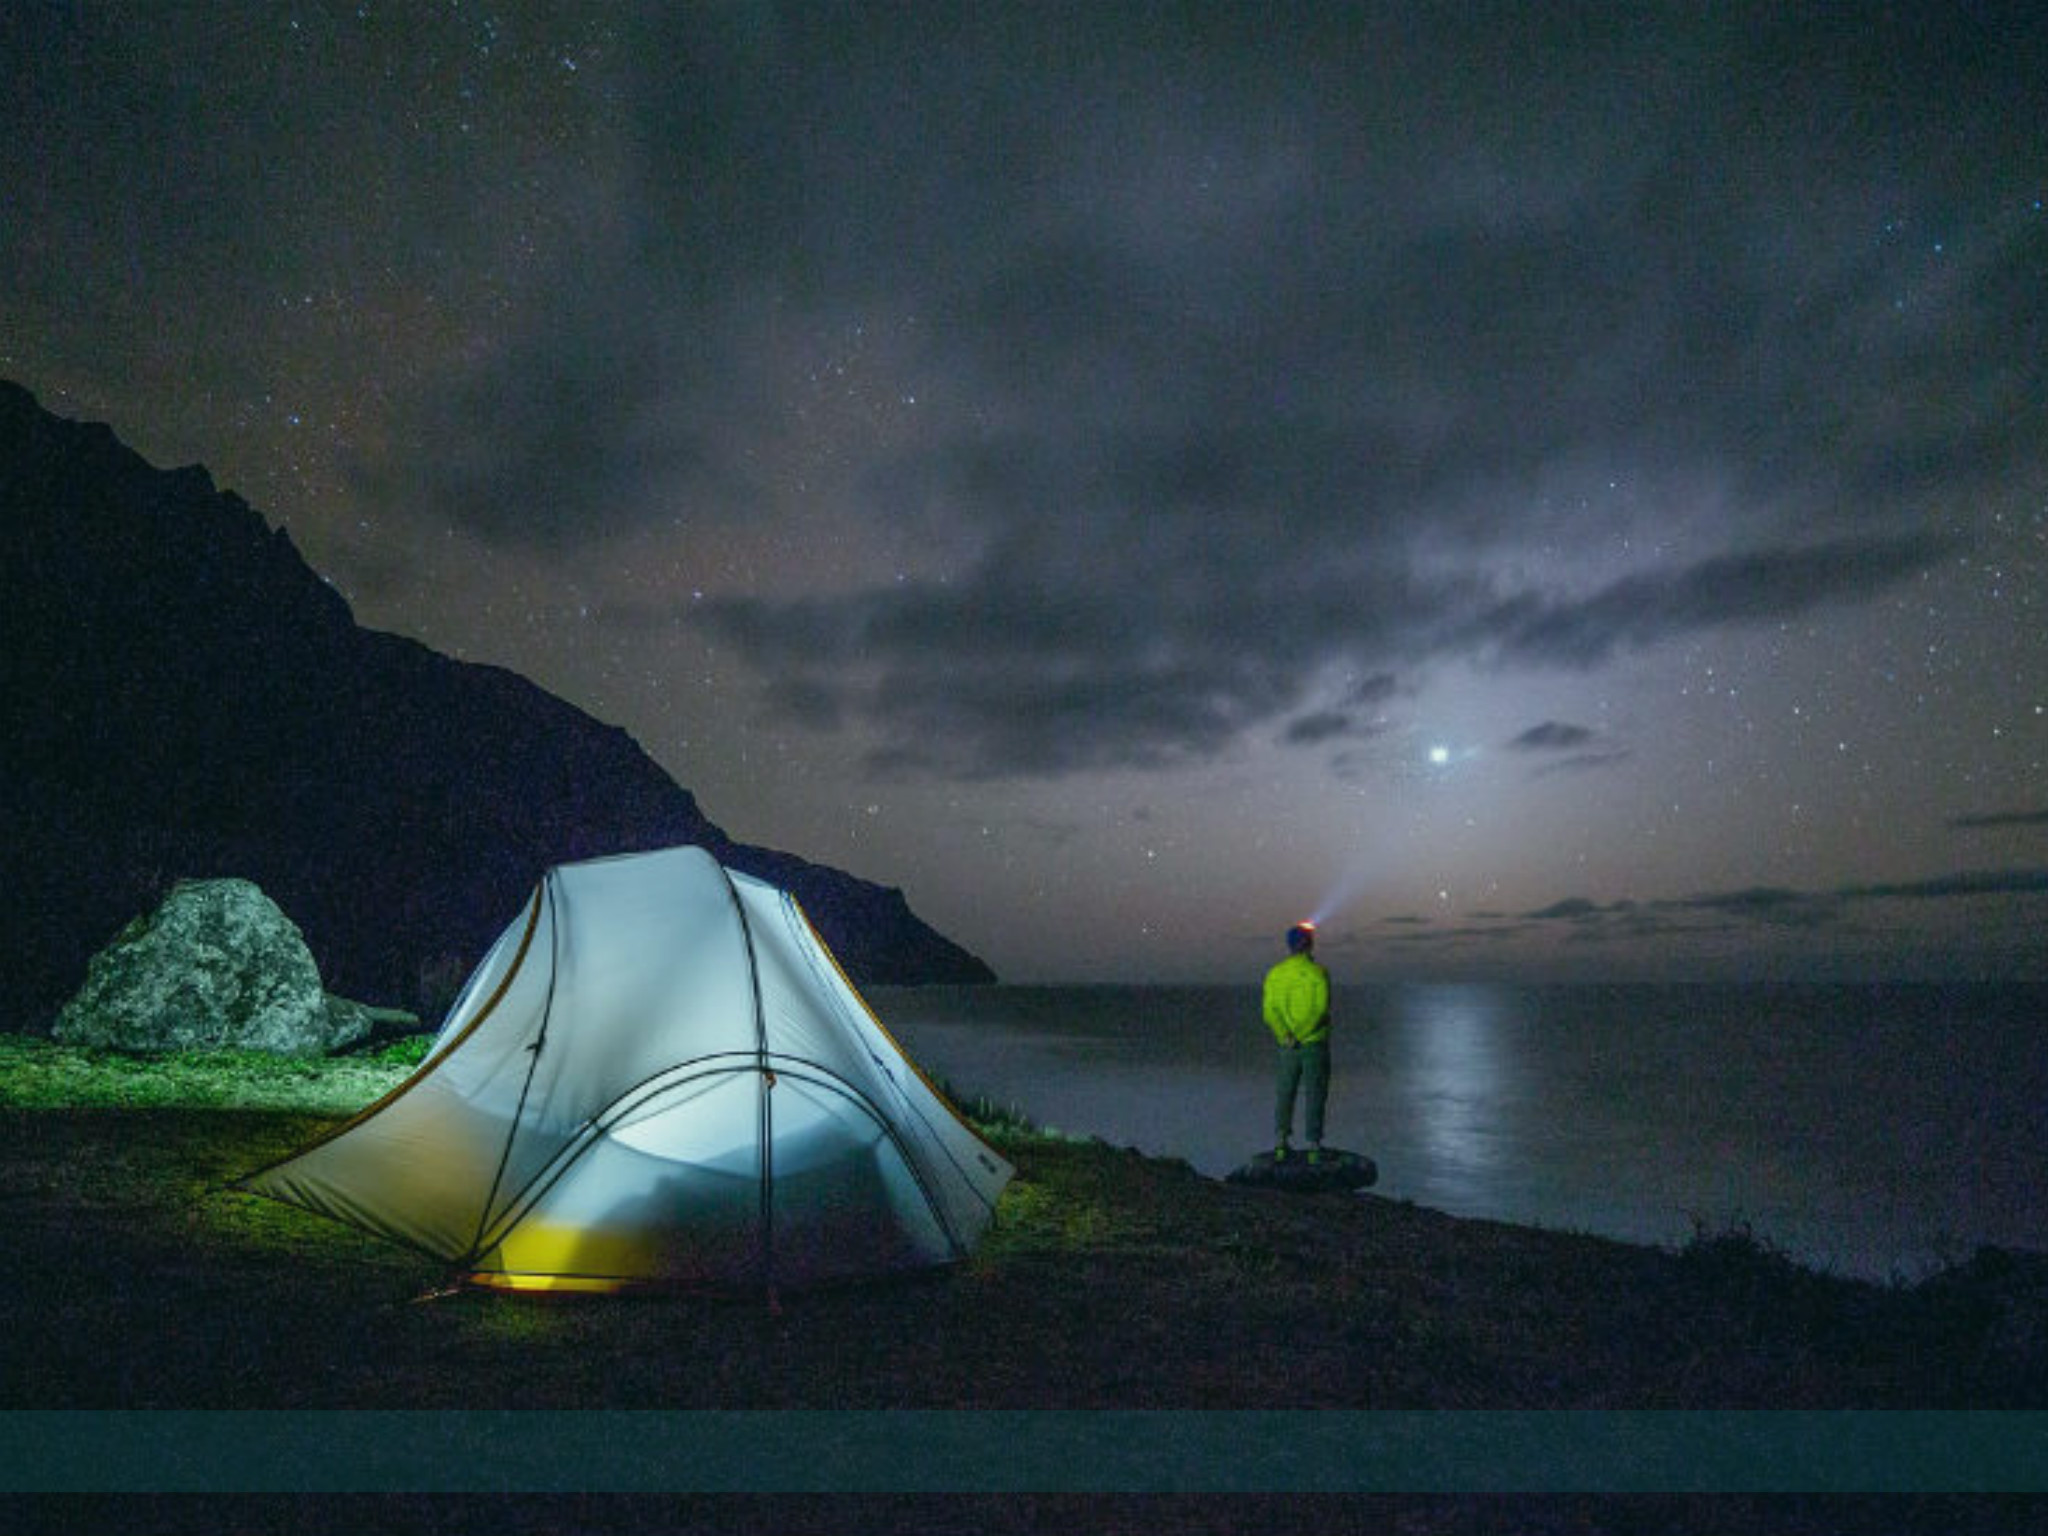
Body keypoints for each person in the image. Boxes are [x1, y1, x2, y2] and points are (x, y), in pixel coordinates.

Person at [1262, 921, 1331, 1162]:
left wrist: (1286, 1035)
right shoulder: (1318, 973)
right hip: (1313, 1043)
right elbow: (1320, 1009)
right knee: (1315, 1092)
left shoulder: (1275, 974)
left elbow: (1269, 1010)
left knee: (1285, 1091)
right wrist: (1302, 1035)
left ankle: (1281, 1144)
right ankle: (1313, 1147)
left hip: (1287, 1045)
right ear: (1309, 944)